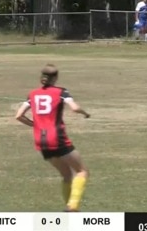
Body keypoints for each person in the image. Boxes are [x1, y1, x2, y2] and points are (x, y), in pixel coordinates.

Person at [14, 64, 91, 212]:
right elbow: (75, 108)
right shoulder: (61, 91)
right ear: (55, 77)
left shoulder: (32, 94)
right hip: (57, 137)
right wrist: (85, 113)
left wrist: (34, 125)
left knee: (67, 175)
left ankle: (70, 209)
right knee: (82, 171)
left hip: (40, 140)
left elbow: (18, 116)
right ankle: (73, 206)